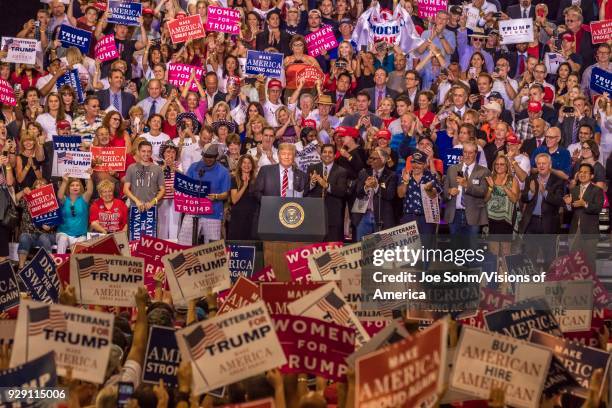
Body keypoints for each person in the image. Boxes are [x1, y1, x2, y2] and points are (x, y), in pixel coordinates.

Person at [178, 144, 231, 245]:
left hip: (213, 213)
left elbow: (225, 194)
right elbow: (186, 185)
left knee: (211, 247)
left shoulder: (223, 172)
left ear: (216, 157)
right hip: (193, 210)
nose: (207, 159)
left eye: (210, 157)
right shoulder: (194, 167)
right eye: (205, 156)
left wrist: (216, 196)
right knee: (183, 243)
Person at [519, 153, 565, 269]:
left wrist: (544, 192)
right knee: (529, 258)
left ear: (550, 165)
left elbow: (559, 201)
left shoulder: (557, 181)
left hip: (548, 224)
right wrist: (531, 193)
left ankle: (547, 284)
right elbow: (523, 198)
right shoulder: (531, 178)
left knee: (549, 259)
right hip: (531, 223)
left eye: (544, 163)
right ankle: (531, 284)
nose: (541, 166)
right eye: (539, 163)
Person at [443, 142, 491, 242]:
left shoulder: (483, 171)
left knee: (472, 250)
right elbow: (443, 193)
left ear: (476, 154)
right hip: (454, 215)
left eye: (470, 152)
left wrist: (467, 185)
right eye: (465, 152)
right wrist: (449, 192)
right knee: (455, 248)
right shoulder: (452, 169)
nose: (467, 155)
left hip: (473, 216)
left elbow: (483, 192)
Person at [304, 143, 348, 242]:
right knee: (314, 249)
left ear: (334, 155)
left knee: (332, 250)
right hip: (314, 214)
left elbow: (342, 192)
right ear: (321, 154)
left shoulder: (341, 171)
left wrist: (326, 185)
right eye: (324, 152)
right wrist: (311, 183)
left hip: (333, 215)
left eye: (330, 152)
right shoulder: (312, 168)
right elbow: (304, 190)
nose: (327, 154)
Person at [564, 163, 604, 268]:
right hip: (574, 230)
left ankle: (590, 284)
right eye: (580, 172)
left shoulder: (597, 190)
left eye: (585, 172)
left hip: (590, 232)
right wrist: (568, 205)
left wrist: (584, 204)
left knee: (589, 263)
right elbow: (570, 212)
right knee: (573, 263)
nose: (582, 174)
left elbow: (597, 208)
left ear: (592, 176)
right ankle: (574, 284)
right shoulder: (574, 190)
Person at [352, 147, 397, 240]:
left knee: (380, 251)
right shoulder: (364, 173)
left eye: (374, 158)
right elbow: (357, 193)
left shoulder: (391, 175)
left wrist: (376, 186)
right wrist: (366, 187)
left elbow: (390, 195)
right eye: (370, 158)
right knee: (363, 249)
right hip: (363, 215)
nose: (371, 160)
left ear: (383, 160)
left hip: (382, 217)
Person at [397, 150, 441, 240]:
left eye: (419, 163)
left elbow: (434, 196)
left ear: (425, 164)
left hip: (426, 218)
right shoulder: (405, 175)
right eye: (413, 162)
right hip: (408, 217)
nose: (415, 166)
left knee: (426, 249)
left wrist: (428, 190)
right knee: (409, 251)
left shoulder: (431, 176)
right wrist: (405, 182)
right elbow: (400, 194)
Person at [15, 178, 56, 268]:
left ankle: (48, 268)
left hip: (46, 234)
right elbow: (14, 200)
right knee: (24, 237)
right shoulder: (27, 199)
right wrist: (22, 192)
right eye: (38, 183)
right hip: (29, 234)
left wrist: (50, 226)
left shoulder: (51, 200)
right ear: (34, 187)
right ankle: (21, 268)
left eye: (43, 184)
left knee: (43, 238)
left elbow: (54, 220)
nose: (40, 185)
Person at [485, 154, 520, 258]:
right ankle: (494, 272)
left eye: (502, 164)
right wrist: (491, 188)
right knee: (493, 251)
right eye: (497, 164)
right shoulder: (490, 178)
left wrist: (504, 187)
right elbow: (485, 199)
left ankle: (504, 273)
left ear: (507, 166)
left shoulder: (512, 180)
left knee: (505, 252)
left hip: (506, 220)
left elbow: (514, 199)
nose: (499, 166)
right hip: (491, 219)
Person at [123, 141, 165, 227]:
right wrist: (137, 201)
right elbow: (125, 189)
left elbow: (162, 190)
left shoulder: (157, 169)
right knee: (134, 238)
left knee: (150, 238)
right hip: (135, 207)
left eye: (149, 151)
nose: (146, 154)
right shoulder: (132, 167)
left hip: (151, 208)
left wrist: (153, 202)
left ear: (151, 152)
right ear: (138, 151)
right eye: (143, 151)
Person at [56, 172, 94, 254]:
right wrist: (65, 182)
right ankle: (59, 264)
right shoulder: (64, 199)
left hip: (80, 235)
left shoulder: (84, 199)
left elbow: (90, 191)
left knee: (78, 246)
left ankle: (73, 266)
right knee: (63, 239)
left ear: (80, 187)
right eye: (72, 185)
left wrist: (88, 176)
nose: (75, 187)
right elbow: (59, 196)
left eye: (77, 185)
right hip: (64, 233)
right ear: (68, 188)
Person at [227, 154, 259, 240]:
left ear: (252, 166)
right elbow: (234, 200)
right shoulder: (234, 179)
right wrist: (244, 186)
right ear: (240, 165)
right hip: (238, 218)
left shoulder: (256, 180)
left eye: (249, 163)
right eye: (244, 163)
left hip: (252, 218)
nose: (246, 165)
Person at [157, 141, 182, 241]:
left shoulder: (179, 164)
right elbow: (155, 178)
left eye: (173, 152)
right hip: (162, 198)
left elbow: (185, 178)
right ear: (163, 153)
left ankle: (175, 244)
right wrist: (164, 167)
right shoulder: (158, 165)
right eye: (168, 151)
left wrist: (173, 168)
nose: (170, 154)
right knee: (162, 224)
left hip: (176, 198)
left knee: (175, 224)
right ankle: (161, 245)